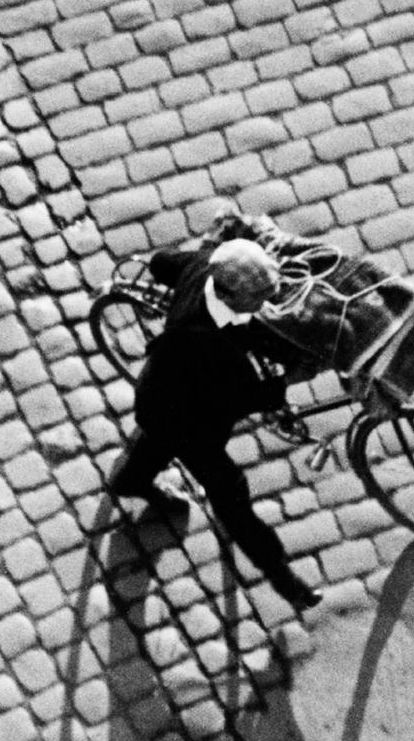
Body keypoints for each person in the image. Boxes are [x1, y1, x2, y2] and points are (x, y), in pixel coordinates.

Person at [110, 232, 322, 614]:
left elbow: (162, 262)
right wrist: (287, 382)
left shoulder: (203, 266)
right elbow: (240, 397)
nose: (267, 301)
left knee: (153, 447)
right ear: (226, 295)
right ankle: (280, 575)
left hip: (164, 388)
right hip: (183, 413)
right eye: (258, 297)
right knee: (229, 491)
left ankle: (130, 481)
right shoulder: (204, 340)